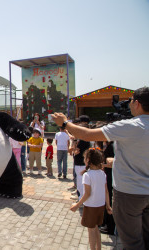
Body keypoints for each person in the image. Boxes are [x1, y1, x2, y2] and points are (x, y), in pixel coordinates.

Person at [51, 86, 149, 250]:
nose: (129, 104)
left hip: (130, 194)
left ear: (137, 103)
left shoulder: (130, 126)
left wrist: (65, 123)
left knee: (132, 242)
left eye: (131, 101)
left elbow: (88, 135)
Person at [70, 148, 112, 250]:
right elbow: (106, 191)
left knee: (91, 231)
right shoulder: (102, 174)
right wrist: (108, 205)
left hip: (91, 206)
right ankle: (98, 248)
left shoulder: (87, 175)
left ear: (88, 160)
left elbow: (87, 194)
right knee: (96, 228)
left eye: (85, 158)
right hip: (100, 205)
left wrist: (77, 205)